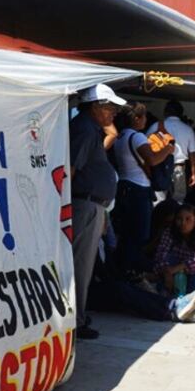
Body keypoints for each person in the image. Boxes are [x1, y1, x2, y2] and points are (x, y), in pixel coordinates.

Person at [68, 83, 125, 339]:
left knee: (85, 264)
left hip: (92, 205)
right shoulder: (84, 129)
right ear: (95, 107)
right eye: (109, 107)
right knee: (81, 265)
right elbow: (70, 170)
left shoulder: (90, 128)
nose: (113, 112)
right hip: (85, 204)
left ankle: (78, 316)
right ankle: (76, 321)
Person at [111, 102, 174, 274]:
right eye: (144, 116)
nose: (146, 119)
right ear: (137, 118)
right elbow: (152, 160)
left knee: (126, 233)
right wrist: (167, 150)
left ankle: (125, 268)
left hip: (123, 185)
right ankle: (133, 270)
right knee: (139, 234)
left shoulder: (120, 136)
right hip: (138, 189)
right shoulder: (137, 137)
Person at [153, 202, 195, 298]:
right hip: (173, 270)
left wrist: (177, 268)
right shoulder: (169, 232)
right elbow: (160, 254)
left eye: (188, 219)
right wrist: (167, 272)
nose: (183, 223)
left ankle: (185, 295)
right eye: (179, 219)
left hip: (193, 270)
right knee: (166, 261)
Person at [147, 100, 195, 203]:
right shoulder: (188, 129)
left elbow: (144, 145)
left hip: (160, 167)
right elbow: (193, 153)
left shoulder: (156, 126)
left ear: (165, 112)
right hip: (178, 168)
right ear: (181, 113)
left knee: (159, 200)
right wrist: (194, 173)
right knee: (178, 200)